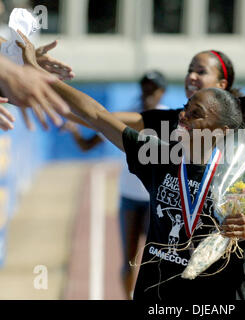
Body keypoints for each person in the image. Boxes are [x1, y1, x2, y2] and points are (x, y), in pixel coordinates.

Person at [18, 34, 245, 301]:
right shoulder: (158, 158)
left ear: (221, 130)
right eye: (185, 108)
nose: (183, 116)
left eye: (195, 114)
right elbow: (96, 115)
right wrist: (34, 74)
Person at [62, 70, 168, 298]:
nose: (148, 92)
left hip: (157, 201)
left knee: (158, 262)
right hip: (128, 197)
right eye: (145, 87)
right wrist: (73, 131)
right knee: (128, 262)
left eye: (153, 88)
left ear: (163, 92)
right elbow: (87, 145)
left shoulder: (169, 118)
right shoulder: (126, 116)